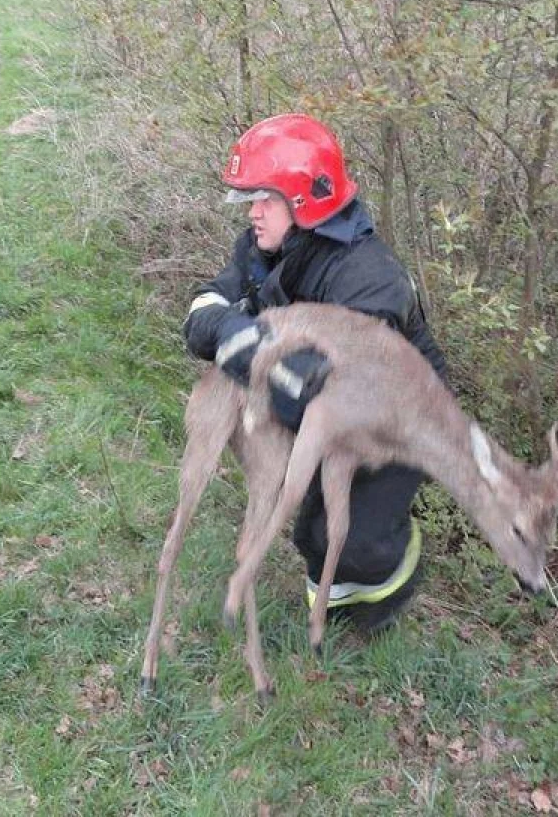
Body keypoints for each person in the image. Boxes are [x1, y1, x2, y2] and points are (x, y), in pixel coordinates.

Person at [183, 113, 449, 633]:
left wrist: (234, 336)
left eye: (263, 199)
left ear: (302, 200)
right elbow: (201, 314)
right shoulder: (266, 250)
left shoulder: (369, 279)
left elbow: (315, 390)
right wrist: (237, 336)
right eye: (248, 200)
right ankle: (334, 609)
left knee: (355, 542)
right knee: (312, 533)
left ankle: (388, 595)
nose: (252, 214)